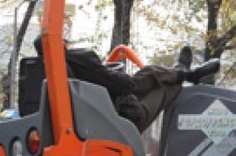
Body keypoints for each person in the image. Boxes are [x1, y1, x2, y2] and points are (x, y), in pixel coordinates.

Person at [33, 36, 220, 132]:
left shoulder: (38, 72)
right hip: (123, 118)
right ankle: (186, 73)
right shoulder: (80, 59)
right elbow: (125, 86)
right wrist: (114, 73)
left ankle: (183, 71)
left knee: (152, 74)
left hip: (100, 114)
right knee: (161, 83)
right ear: (61, 44)